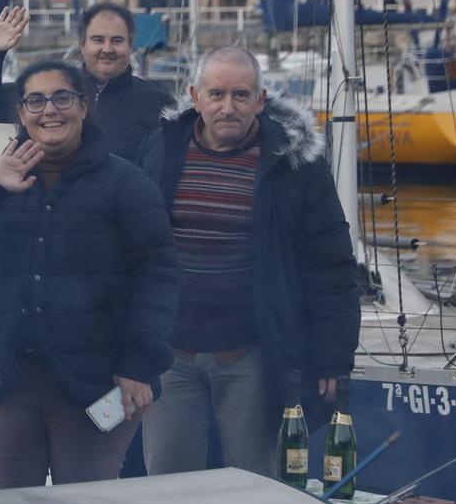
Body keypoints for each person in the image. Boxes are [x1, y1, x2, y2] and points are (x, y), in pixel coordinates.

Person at [135, 45, 360, 476]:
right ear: (194, 96)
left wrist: (333, 356)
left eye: (241, 95)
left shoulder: (291, 164)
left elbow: (330, 265)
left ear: (260, 100)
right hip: (170, 356)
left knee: (258, 487)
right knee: (167, 490)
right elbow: (133, 248)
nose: (227, 107)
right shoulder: (161, 148)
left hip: (250, 357)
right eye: (216, 94)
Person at [0, 61, 179, 488]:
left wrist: (139, 365)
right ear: (20, 113)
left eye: (62, 98)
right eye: (34, 100)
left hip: (97, 382)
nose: (49, 110)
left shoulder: (126, 183)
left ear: (84, 107)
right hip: (10, 384)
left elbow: (156, 276)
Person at [0, 1, 173, 161]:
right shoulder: (48, 91)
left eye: (117, 41)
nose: (107, 49)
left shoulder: (157, 103)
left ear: (130, 46)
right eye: (98, 40)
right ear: (83, 45)